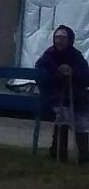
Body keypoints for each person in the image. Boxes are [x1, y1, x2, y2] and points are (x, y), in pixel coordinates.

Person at [35, 25, 89, 165]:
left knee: (82, 120)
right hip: (54, 98)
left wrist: (73, 73)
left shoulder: (76, 57)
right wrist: (58, 74)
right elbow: (43, 80)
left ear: (70, 39)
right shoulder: (47, 58)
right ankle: (59, 153)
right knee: (63, 114)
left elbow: (86, 78)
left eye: (63, 38)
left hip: (76, 98)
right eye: (57, 37)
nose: (60, 40)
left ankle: (84, 157)